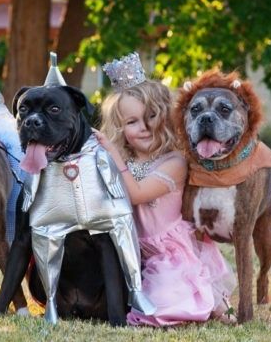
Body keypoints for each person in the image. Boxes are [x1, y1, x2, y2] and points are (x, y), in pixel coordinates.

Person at [93, 52, 237, 326]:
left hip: (170, 251)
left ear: (165, 116)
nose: (144, 127)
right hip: (131, 250)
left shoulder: (175, 162)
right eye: (131, 122)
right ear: (120, 128)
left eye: (151, 117)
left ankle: (219, 305)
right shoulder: (127, 160)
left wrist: (111, 153)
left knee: (159, 306)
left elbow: (135, 194)